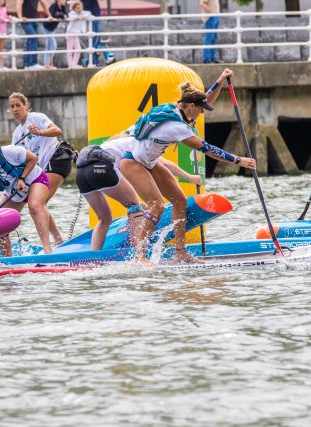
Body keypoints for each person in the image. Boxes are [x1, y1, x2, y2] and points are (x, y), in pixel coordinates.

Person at [119, 68, 257, 263]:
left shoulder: (178, 107)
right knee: (157, 204)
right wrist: (238, 160)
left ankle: (180, 251)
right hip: (131, 162)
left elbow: (206, 98)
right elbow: (207, 149)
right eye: (201, 110)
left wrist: (220, 79)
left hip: (149, 162)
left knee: (180, 201)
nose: (202, 113)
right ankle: (139, 255)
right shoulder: (177, 127)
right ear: (191, 106)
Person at [76, 133, 202, 258]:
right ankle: (139, 256)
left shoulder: (110, 145)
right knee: (134, 207)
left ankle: (92, 258)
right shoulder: (138, 144)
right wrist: (190, 177)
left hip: (81, 173)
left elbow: (115, 185)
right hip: (102, 168)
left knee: (104, 218)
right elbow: (164, 163)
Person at [8, 92, 72, 246]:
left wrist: (39, 132)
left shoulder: (36, 118)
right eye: (12, 107)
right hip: (41, 169)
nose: (15, 109)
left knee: (36, 203)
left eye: (18, 105)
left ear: (25, 106)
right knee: (38, 204)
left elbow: (57, 131)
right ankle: (58, 241)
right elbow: (14, 157)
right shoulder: (17, 133)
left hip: (56, 159)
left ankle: (53, 243)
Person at [16, 0, 52, 70]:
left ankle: (27, 64)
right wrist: (20, 17)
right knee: (33, 38)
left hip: (34, 20)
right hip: (26, 20)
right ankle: (33, 63)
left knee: (30, 41)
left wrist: (49, 15)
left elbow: (43, 3)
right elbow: (18, 3)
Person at [41, 0, 68, 69]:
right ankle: (47, 64)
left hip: (52, 29)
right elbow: (53, 14)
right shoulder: (54, 5)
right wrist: (62, 15)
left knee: (51, 46)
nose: (64, 1)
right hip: (47, 28)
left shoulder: (62, 7)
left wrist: (64, 16)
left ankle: (49, 63)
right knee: (52, 45)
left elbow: (66, 14)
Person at [66, 1, 90, 69]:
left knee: (78, 49)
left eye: (80, 8)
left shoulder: (82, 13)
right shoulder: (72, 13)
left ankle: (74, 64)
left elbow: (88, 14)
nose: (79, 9)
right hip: (70, 33)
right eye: (77, 8)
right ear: (74, 9)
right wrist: (77, 17)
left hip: (76, 34)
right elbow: (71, 17)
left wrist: (82, 16)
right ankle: (70, 65)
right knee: (70, 50)